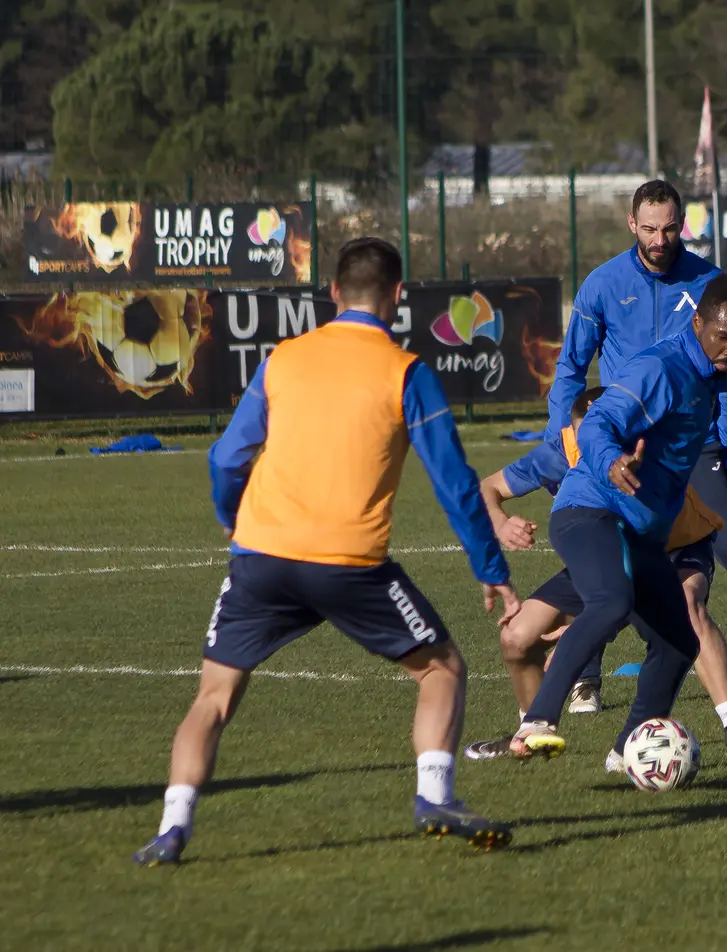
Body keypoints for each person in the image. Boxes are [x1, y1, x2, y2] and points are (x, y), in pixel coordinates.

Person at [132, 238, 522, 866]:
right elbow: (454, 485)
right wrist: (491, 568)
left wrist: (233, 520)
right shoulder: (406, 371)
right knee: (441, 668)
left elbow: (226, 457)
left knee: (213, 698)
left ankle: (172, 828)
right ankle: (435, 797)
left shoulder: (283, 359)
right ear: (398, 296)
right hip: (348, 565)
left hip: (261, 559)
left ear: (334, 293)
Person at [545, 179, 727, 713]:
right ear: (632, 225)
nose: (660, 239)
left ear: (683, 225)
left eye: (670, 228)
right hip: (623, 443)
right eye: (649, 228)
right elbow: (570, 368)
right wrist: (563, 440)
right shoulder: (602, 284)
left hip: (693, 441)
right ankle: (587, 677)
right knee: (604, 553)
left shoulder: (707, 283)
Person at [500, 274, 727, 762]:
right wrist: (611, 461)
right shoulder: (661, 368)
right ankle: (537, 720)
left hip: (640, 535)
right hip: (590, 510)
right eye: (723, 336)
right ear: (698, 323)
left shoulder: (708, 376)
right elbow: (598, 421)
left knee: (679, 640)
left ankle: (626, 752)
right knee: (611, 601)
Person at [464, 386, 727, 767]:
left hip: (678, 545)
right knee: (517, 636)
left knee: (686, 610)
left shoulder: (645, 448)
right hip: (608, 547)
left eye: (604, 430)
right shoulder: (564, 450)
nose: (596, 443)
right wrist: (501, 522)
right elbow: (486, 489)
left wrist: (591, 624)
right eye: (586, 434)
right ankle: (530, 733)